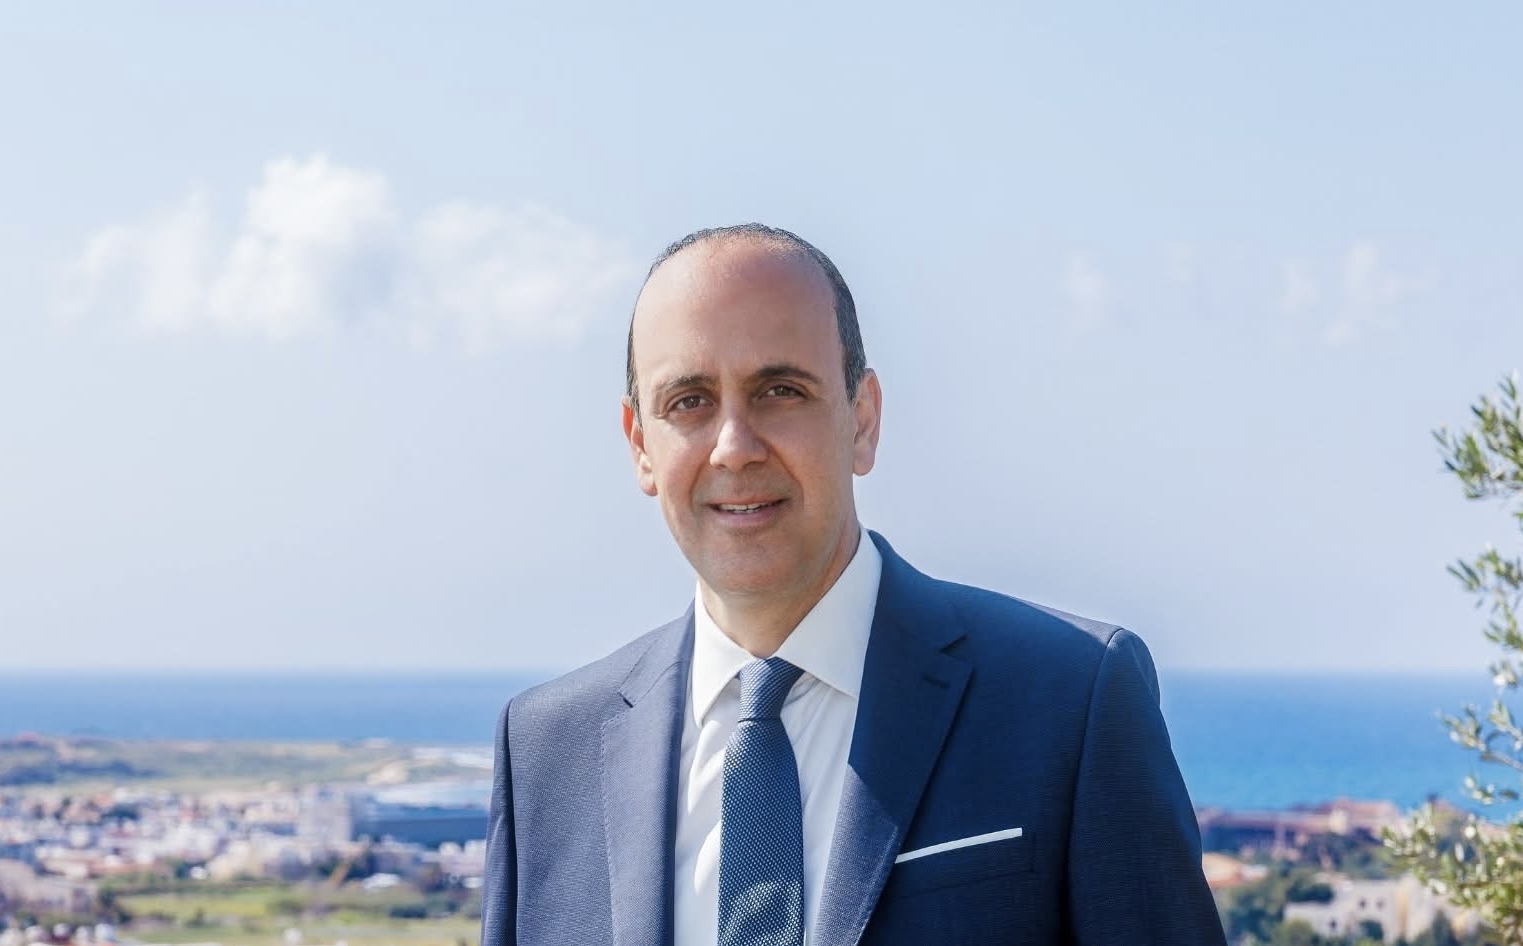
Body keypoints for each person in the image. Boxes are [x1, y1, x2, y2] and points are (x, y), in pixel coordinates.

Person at [481, 224, 1225, 946]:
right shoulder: (546, 755)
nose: (734, 448)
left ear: (862, 420)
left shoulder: (1071, 700)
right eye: (689, 401)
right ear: (641, 443)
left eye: (779, 390)